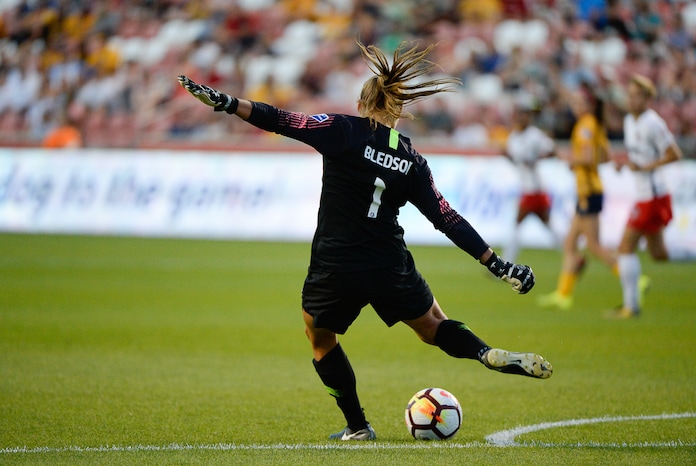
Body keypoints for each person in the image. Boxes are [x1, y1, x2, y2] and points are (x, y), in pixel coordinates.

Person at [178, 41, 553, 442]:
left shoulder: (342, 130)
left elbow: (282, 120)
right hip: (388, 261)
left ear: (363, 102)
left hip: (336, 262)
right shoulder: (411, 159)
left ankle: (358, 426)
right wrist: (497, 264)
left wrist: (227, 102)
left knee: (319, 337)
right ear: (397, 110)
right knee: (433, 325)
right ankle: (484, 353)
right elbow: (447, 218)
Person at [606, 74, 682, 319]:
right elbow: (638, 156)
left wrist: (646, 167)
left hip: (653, 195)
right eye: (629, 95)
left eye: (636, 95)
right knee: (658, 254)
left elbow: (674, 154)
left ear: (648, 99)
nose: (631, 100)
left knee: (625, 247)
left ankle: (631, 306)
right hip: (643, 194)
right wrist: (625, 164)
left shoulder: (653, 123)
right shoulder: (630, 120)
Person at [538, 84, 618, 310]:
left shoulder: (585, 127)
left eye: (578, 103)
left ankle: (631, 277)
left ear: (588, 105)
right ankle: (563, 294)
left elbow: (589, 157)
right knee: (571, 242)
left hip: (588, 191)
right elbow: (605, 156)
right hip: (590, 190)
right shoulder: (595, 125)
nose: (575, 107)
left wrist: (571, 160)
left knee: (593, 246)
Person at [502, 95, 558, 263]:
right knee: (548, 225)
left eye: (526, 115)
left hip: (534, 188)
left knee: (516, 225)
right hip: (528, 187)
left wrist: (536, 158)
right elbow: (517, 161)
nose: (523, 118)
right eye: (521, 114)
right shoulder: (513, 137)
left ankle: (506, 262)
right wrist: (509, 158)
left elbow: (552, 151)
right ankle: (573, 254)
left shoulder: (535, 135)